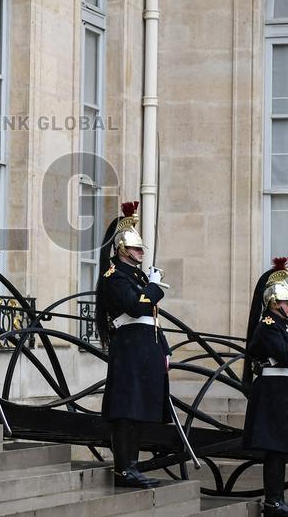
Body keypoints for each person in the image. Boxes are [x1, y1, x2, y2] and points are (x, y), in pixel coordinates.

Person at [94, 201, 171, 488]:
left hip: (146, 349)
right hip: (129, 349)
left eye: (141, 249)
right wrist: (154, 287)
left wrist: (164, 350)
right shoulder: (114, 277)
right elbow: (137, 307)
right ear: (123, 250)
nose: (141, 254)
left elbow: (153, 319)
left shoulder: (135, 276)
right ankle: (123, 469)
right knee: (127, 410)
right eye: (137, 249)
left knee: (140, 411)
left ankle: (133, 466)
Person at [241, 257, 288, 517]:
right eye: (287, 303)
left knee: (281, 448)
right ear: (274, 303)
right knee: (274, 448)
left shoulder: (283, 325)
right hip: (273, 392)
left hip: (283, 391)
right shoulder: (268, 326)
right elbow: (287, 356)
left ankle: (278, 499)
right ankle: (273, 502)